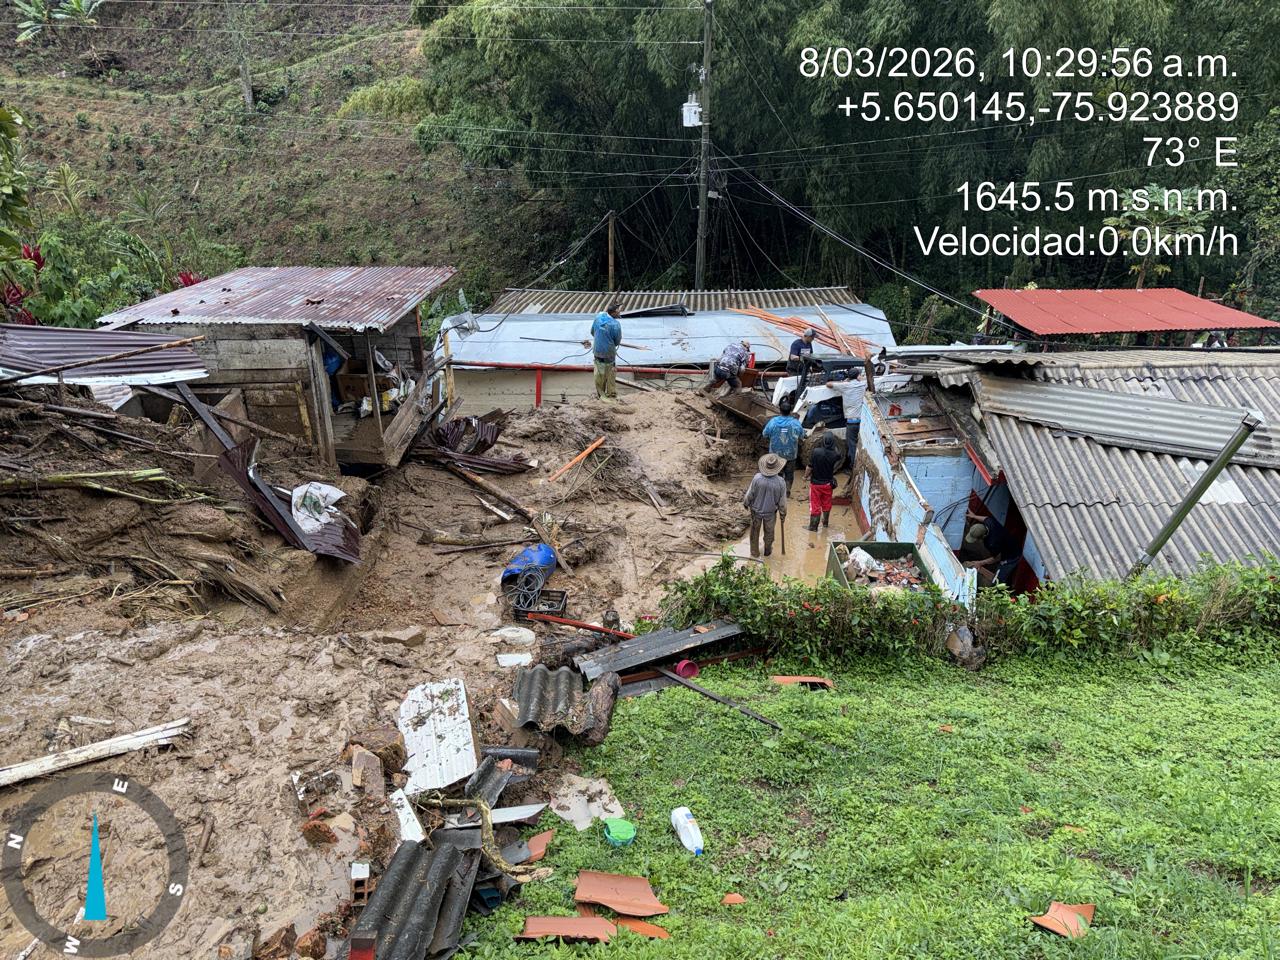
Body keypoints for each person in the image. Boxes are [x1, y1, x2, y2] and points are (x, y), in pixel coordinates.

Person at [743, 452, 788, 557]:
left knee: (754, 532)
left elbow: (750, 494)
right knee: (769, 532)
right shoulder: (781, 482)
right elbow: (782, 502)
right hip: (770, 513)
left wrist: (746, 503)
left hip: (756, 511)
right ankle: (767, 551)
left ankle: (754, 553)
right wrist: (783, 514)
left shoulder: (757, 478)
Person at [762, 397, 804, 493]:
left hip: (775, 454)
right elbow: (802, 436)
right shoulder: (795, 423)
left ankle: (777, 491)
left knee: (776, 473)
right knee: (789, 474)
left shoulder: (773, 422)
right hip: (791, 455)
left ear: (780, 410)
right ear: (790, 411)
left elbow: (765, 434)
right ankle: (787, 491)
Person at [585, 304, 622, 400]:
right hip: (609, 354)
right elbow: (617, 341)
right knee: (610, 375)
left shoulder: (598, 317)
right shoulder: (616, 325)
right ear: (613, 313)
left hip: (597, 352)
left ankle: (601, 395)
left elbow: (592, 332)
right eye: (618, 311)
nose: (620, 312)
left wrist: (601, 338)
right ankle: (610, 395)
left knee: (599, 376)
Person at [805, 431, 839, 531]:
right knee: (826, 503)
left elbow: (809, 467)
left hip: (816, 485)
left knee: (815, 505)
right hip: (828, 484)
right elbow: (838, 453)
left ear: (823, 441)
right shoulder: (835, 454)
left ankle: (813, 527)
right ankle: (825, 523)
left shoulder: (816, 452)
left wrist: (805, 476)